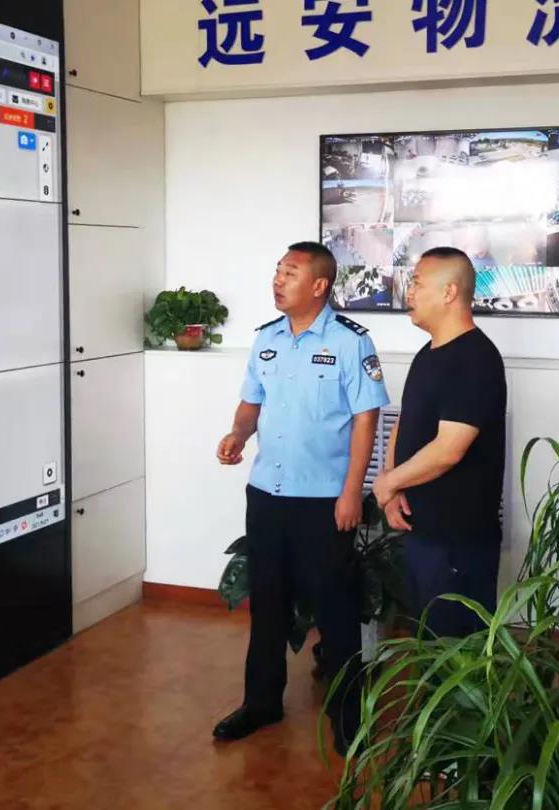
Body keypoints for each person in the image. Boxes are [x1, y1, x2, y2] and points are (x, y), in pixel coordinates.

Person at [212, 241, 389, 755]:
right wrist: (238, 434)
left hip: (324, 501)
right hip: (268, 494)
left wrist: (352, 492)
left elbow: (366, 420)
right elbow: (251, 403)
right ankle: (261, 702)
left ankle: (347, 717)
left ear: (319, 285)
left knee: (335, 610)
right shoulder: (266, 339)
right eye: (277, 271)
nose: (278, 280)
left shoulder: (351, 342)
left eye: (290, 273)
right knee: (267, 603)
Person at [372, 247, 506, 638]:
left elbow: (449, 449)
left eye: (416, 283)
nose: (409, 292)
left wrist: (389, 483)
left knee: (455, 652)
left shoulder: (475, 359)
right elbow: (405, 422)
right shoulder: (428, 353)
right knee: (427, 642)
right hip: (421, 531)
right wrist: (392, 483)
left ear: (449, 292)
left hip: (458, 539)